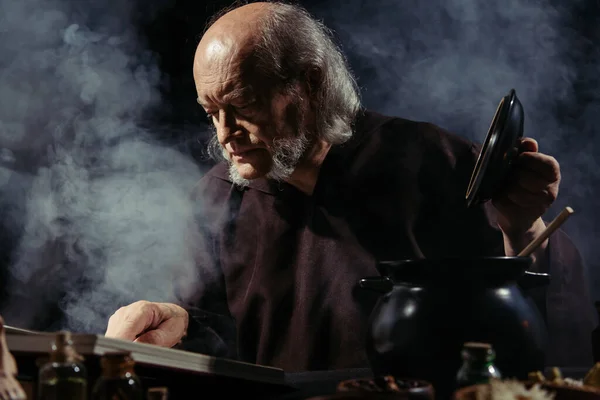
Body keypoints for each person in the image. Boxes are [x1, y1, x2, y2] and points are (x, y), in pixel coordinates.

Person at [104, 1, 596, 372]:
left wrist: (522, 225)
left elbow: (541, 335)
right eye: (211, 112)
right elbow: (210, 334)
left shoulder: (436, 163)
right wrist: (173, 320)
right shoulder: (215, 199)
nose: (224, 133)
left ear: (310, 84)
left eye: (243, 104)